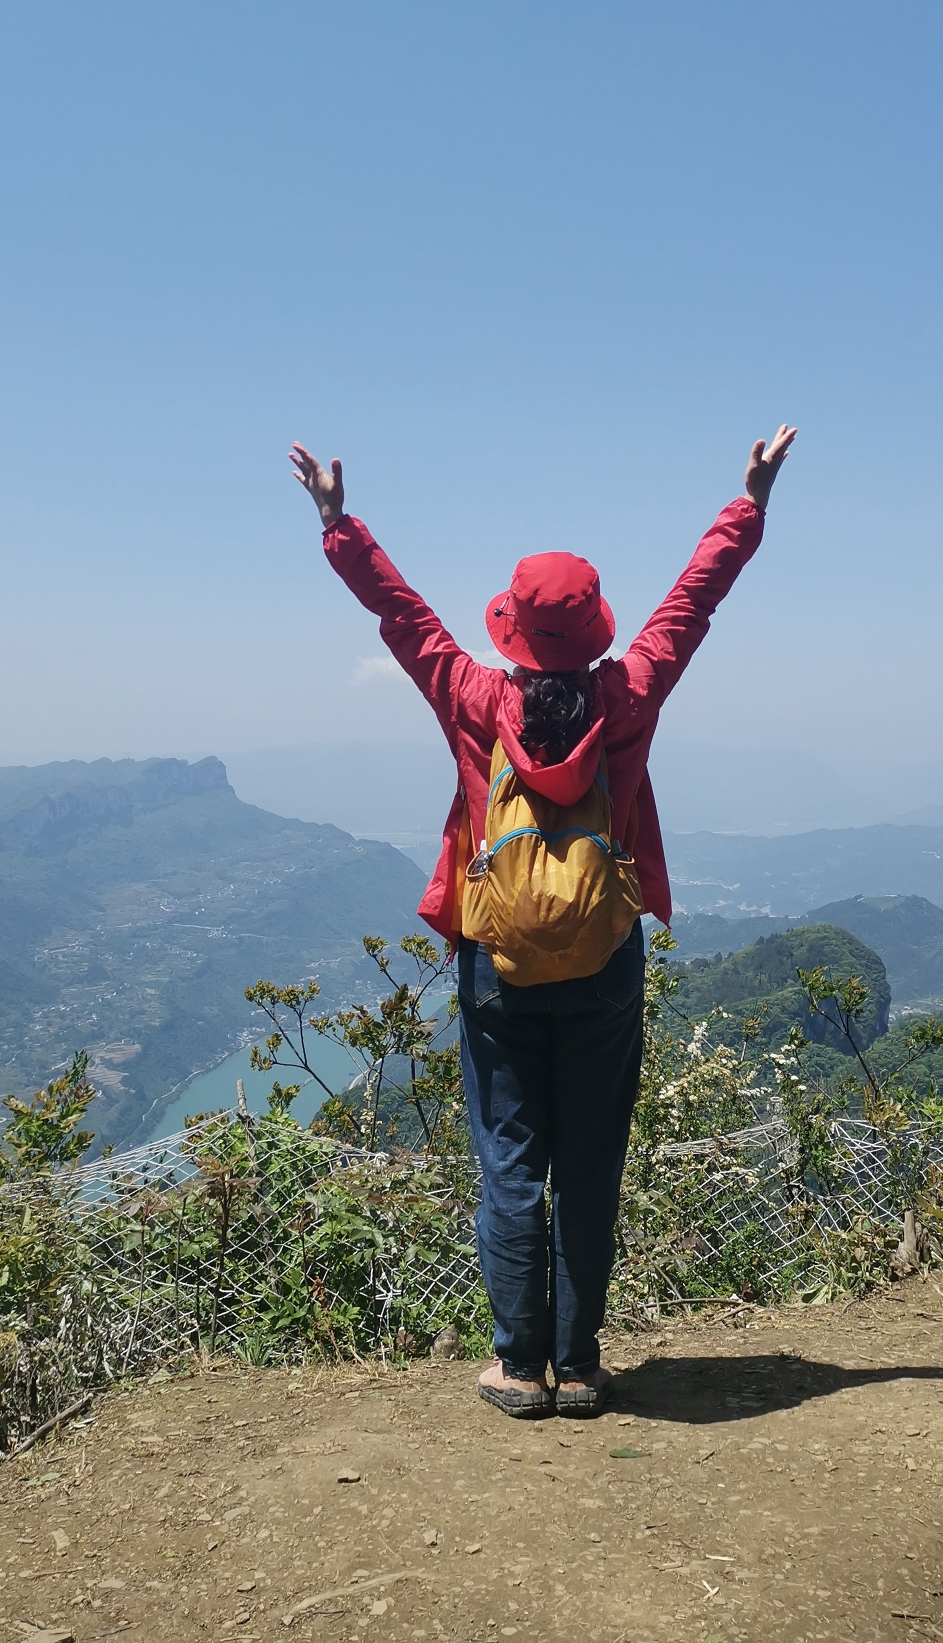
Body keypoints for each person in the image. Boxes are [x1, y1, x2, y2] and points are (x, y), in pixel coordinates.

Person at [290, 426, 797, 1417]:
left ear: (511, 629)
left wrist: (337, 523)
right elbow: (689, 605)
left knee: (511, 1163)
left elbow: (406, 620)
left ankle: (519, 1367)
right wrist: (747, 503)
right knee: (590, 1166)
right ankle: (581, 1365)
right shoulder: (628, 693)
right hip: (603, 960)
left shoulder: (474, 698)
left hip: (500, 965)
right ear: (594, 628)